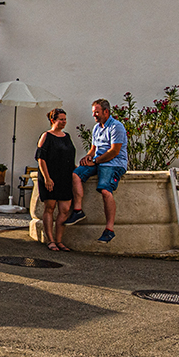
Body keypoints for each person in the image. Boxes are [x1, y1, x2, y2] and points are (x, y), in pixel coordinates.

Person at [73, 99, 128, 243]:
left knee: (105, 190)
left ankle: (109, 229)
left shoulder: (116, 127)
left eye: (97, 112)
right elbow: (94, 149)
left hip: (113, 163)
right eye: (93, 112)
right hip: (98, 161)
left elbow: (114, 151)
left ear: (106, 112)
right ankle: (77, 211)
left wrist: (95, 161)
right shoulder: (97, 128)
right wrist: (87, 158)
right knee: (76, 174)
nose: (94, 115)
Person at [36, 107, 77, 251]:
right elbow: (41, 159)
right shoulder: (46, 136)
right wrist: (47, 178)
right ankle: (50, 240)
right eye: (61, 119)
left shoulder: (67, 136)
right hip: (50, 177)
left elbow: (70, 157)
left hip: (65, 178)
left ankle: (59, 240)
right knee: (50, 208)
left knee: (65, 210)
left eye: (65, 119)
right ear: (53, 120)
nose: (64, 122)